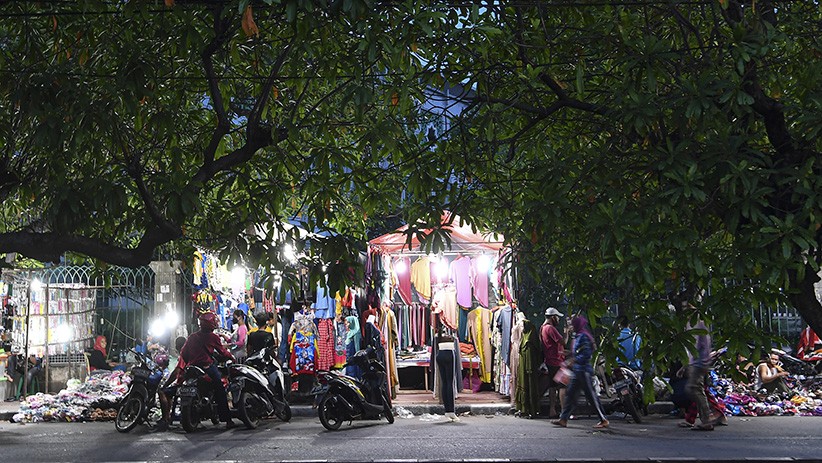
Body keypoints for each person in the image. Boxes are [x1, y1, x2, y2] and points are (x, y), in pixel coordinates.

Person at [180, 312, 237, 429]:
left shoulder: (192, 337)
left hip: (192, 368)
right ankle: (227, 419)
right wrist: (231, 357)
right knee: (220, 389)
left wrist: (190, 361)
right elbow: (222, 352)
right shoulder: (213, 337)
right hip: (207, 367)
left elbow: (183, 353)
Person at [552, 315, 609, 429]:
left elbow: (586, 354)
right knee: (571, 396)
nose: (570, 327)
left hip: (583, 371)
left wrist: (572, 360)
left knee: (591, 396)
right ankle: (563, 419)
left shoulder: (583, 336)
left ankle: (603, 419)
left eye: (571, 325)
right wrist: (568, 354)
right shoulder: (577, 336)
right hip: (577, 371)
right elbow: (578, 352)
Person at [684, 304, 717, 431]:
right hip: (699, 362)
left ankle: (708, 417)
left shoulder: (696, 325)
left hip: (698, 363)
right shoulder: (697, 324)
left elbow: (695, 346)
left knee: (693, 389)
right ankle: (707, 417)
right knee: (697, 390)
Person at [154, 336, 187, 431]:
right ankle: (167, 417)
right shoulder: (191, 354)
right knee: (169, 393)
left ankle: (165, 419)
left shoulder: (183, 355)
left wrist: (166, 384)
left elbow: (176, 372)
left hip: (182, 384)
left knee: (162, 392)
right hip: (186, 383)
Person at [539, 307, 566, 418]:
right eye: (557, 317)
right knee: (563, 386)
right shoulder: (550, 329)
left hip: (549, 360)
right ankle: (565, 412)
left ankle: (552, 410)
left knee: (552, 387)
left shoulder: (542, 328)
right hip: (556, 361)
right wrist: (566, 332)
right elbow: (563, 342)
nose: (558, 320)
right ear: (553, 317)